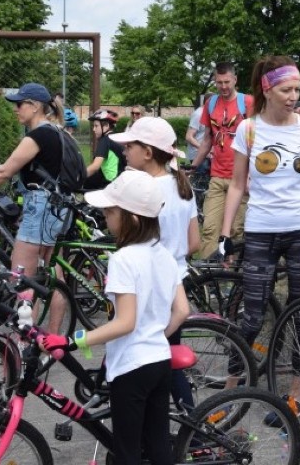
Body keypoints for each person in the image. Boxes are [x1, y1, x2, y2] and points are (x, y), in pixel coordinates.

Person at [39, 169, 190, 464]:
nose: (105, 217)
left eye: (110, 212)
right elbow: (182, 310)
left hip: (131, 369)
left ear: (132, 219)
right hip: (160, 361)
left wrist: (72, 341)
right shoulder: (165, 255)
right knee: (158, 446)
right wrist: (155, 336)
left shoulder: (123, 259)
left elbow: (124, 323)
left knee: (126, 451)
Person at [217, 55, 300, 410]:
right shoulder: (249, 130)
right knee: (250, 316)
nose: (293, 95)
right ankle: (230, 391)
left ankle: (295, 395)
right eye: (286, 89)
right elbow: (236, 186)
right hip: (261, 231)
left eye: (296, 88)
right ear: (267, 89)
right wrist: (224, 234)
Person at [0, 83, 71, 333]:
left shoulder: (39, 135)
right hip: (56, 207)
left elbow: (4, 170)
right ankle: (51, 341)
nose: (16, 109)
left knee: (21, 279)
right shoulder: (57, 131)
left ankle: (24, 345)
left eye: (19, 104)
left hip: (40, 208)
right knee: (55, 278)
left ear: (34, 106)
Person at [109, 116, 200, 411]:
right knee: (165, 354)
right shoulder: (182, 187)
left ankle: (193, 426)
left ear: (147, 153)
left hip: (146, 284)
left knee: (154, 357)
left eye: (129, 146)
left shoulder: (143, 191)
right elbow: (194, 243)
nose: (124, 151)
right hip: (175, 282)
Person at [189, 62, 254, 258]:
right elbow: (207, 138)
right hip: (217, 175)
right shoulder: (211, 103)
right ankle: (210, 277)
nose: (223, 87)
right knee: (209, 228)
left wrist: (251, 174)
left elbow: (257, 141)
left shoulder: (248, 103)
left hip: (241, 177)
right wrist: (192, 167)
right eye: (219, 83)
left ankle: (231, 275)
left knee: (236, 230)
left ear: (235, 80)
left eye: (227, 82)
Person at [83, 108, 125, 190]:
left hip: (110, 186)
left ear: (106, 126)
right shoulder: (114, 138)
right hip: (120, 183)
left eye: (96, 126)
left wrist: (77, 177)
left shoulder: (105, 140)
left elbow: (95, 166)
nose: (93, 129)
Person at [185, 103, 209, 175]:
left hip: (205, 155)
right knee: (200, 183)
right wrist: (204, 148)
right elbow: (189, 137)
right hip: (198, 155)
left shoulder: (207, 113)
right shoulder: (199, 114)